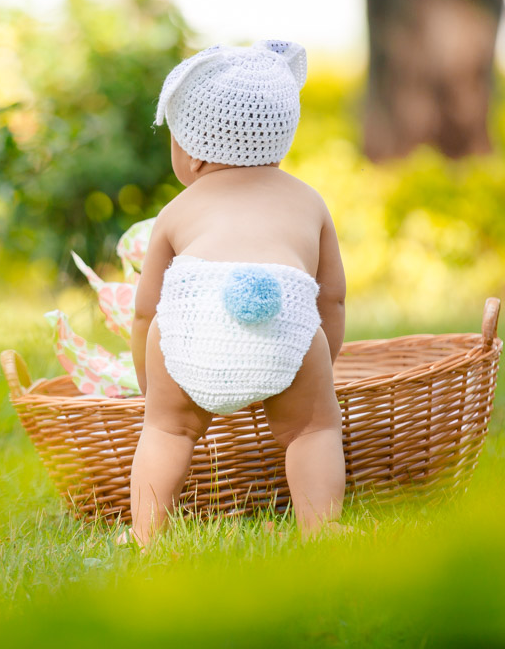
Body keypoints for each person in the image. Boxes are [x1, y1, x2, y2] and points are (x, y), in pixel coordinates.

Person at [129, 40, 347, 547]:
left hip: (189, 322)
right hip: (284, 314)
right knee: (313, 430)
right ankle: (324, 528)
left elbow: (146, 308)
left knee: (167, 431)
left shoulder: (179, 209)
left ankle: (144, 535)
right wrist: (318, 362)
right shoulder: (307, 201)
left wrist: (149, 385)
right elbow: (330, 299)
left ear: (192, 152)